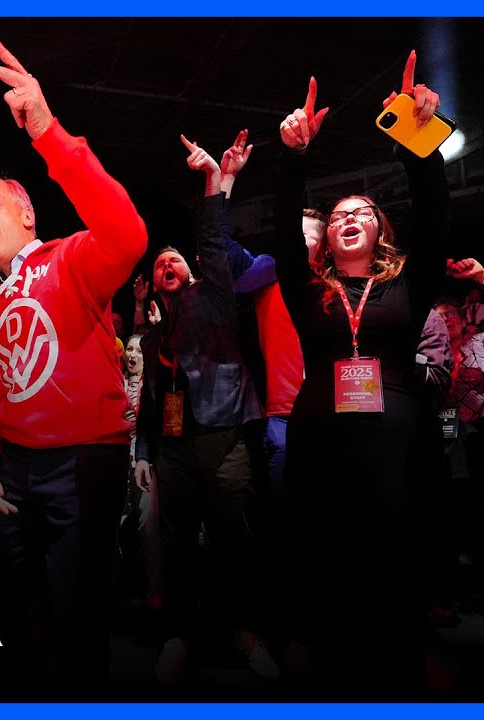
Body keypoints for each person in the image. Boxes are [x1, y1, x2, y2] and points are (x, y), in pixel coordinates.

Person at [0, 37, 148, 686]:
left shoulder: (69, 257)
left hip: (80, 464)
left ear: (25, 211)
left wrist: (45, 128)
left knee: (76, 617)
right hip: (13, 465)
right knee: (1, 612)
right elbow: (14, 389)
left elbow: (129, 234)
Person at [271, 54, 450, 692]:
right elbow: (281, 232)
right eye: (340, 213)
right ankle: (326, 662)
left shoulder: (407, 286)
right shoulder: (309, 290)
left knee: (397, 549)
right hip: (321, 438)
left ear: (381, 232)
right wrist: (293, 158)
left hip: (398, 444)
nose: (349, 217)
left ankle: (400, 662)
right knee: (324, 549)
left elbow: (435, 217)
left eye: (364, 212)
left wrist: (414, 132)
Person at [134, 132, 270, 682]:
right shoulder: (151, 336)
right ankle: (180, 635)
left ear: (191, 270)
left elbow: (213, 244)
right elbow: (148, 403)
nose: (167, 264)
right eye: (159, 262)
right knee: (178, 544)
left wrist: (215, 183)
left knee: (235, 538)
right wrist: (145, 451)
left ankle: (246, 633)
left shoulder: (213, 295)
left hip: (223, 435)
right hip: (173, 447)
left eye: (174, 259)